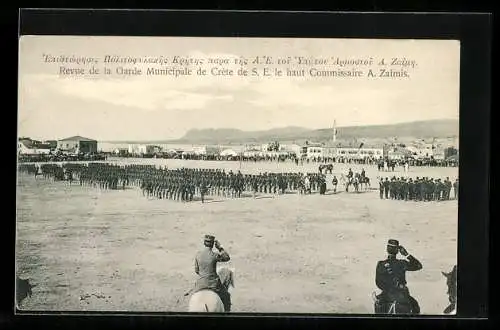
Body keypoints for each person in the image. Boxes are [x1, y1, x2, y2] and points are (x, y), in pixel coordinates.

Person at [375, 239, 422, 314]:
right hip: (402, 295)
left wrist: (390, 288)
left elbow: (378, 282)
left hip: (387, 296)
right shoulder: (402, 263)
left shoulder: (381, 264)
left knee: (378, 307)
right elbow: (418, 266)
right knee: (415, 307)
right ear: (398, 251)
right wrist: (407, 254)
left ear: (387, 249)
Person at [193, 235, 231, 311]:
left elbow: (196, 270)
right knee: (226, 295)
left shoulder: (198, 254)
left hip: (200, 284)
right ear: (213, 244)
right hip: (214, 284)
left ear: (204, 243)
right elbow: (227, 258)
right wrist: (220, 248)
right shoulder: (215, 255)